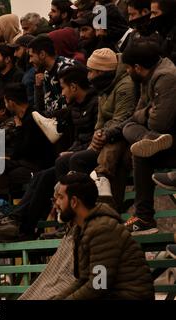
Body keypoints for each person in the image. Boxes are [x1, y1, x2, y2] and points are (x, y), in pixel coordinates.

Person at [54, 172, 154, 300]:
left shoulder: (102, 230)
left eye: (61, 198)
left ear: (74, 202)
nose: (57, 203)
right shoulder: (83, 228)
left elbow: (99, 285)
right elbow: (84, 279)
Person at [121, 39, 176, 234]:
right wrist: (146, 112)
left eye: (127, 68)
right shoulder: (147, 76)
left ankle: (144, 217)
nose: (127, 72)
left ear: (137, 67)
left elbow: (158, 123)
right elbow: (137, 113)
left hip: (170, 138)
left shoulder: (166, 77)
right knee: (131, 133)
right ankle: (144, 219)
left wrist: (144, 115)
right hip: (158, 138)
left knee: (139, 149)